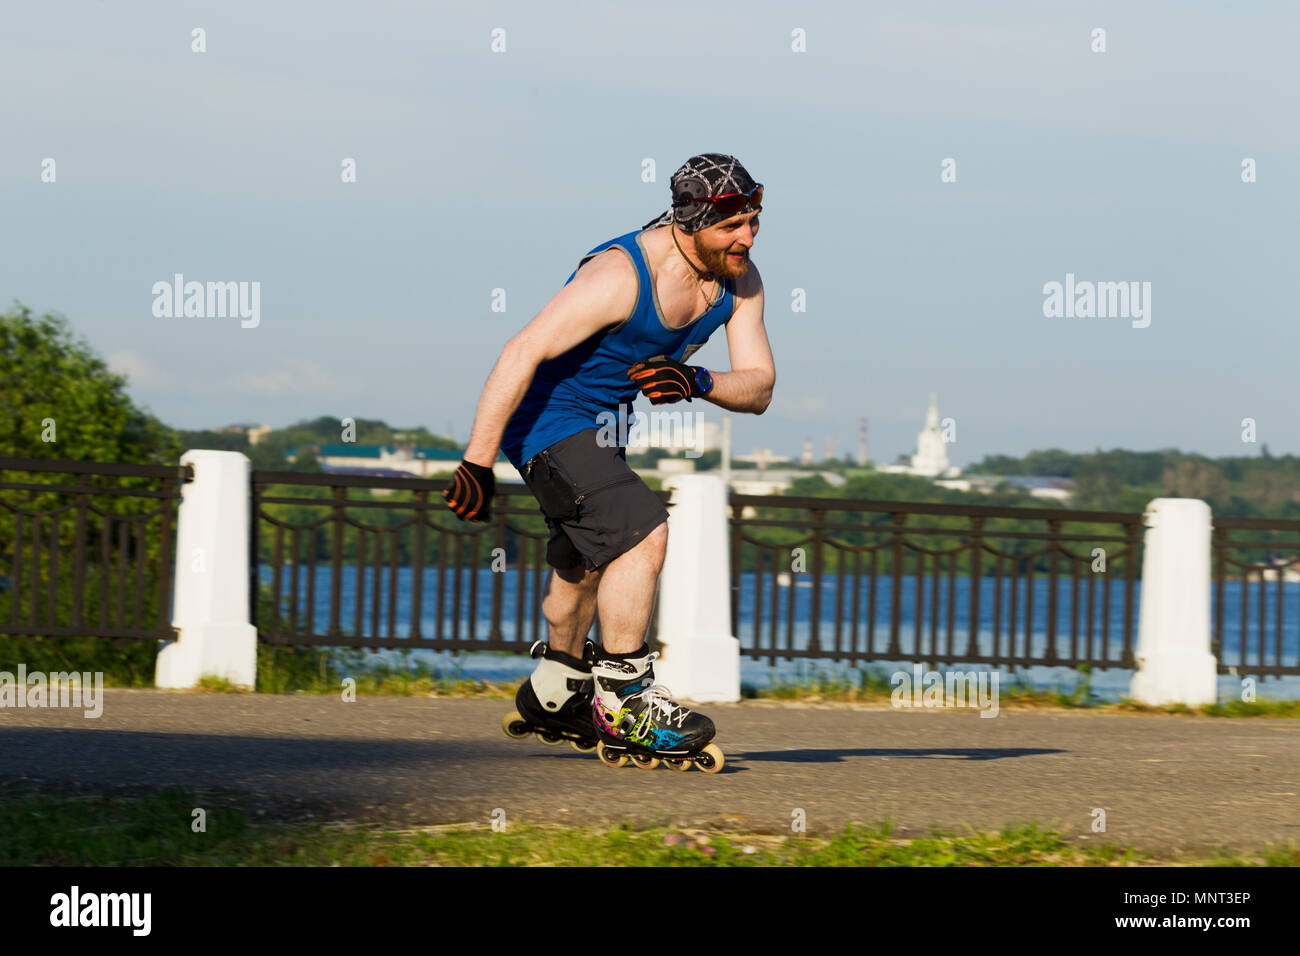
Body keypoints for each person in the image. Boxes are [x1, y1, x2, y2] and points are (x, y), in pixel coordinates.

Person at [443, 153, 774, 771]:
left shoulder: (740, 280)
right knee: (641, 532)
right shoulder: (622, 275)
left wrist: (696, 378)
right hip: (542, 418)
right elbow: (521, 350)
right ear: (691, 221)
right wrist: (476, 463)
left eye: (755, 221)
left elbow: (759, 388)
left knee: (589, 557)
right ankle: (626, 699)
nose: (747, 238)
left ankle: (557, 689)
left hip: (602, 427)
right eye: (733, 226)